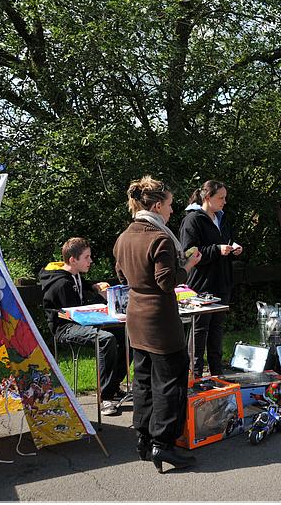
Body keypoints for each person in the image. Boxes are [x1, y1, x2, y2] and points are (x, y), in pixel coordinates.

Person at [113, 176, 202, 473]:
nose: (172, 211)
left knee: (143, 380)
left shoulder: (125, 236)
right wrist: (187, 266)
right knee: (170, 382)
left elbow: (122, 276)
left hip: (136, 318)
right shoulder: (160, 238)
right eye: (169, 205)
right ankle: (162, 445)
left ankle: (143, 436)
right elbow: (167, 282)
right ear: (156, 205)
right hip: (160, 321)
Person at [39, 237, 125, 417]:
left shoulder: (73, 275)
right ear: (73, 260)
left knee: (127, 333)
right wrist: (99, 304)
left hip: (81, 322)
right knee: (105, 339)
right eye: (86, 257)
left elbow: (80, 285)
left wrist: (94, 286)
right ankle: (105, 397)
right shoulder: (60, 284)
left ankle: (114, 385)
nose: (91, 261)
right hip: (65, 328)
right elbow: (74, 313)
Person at [179, 180, 242, 376]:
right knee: (200, 329)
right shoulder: (193, 220)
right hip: (201, 283)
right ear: (207, 198)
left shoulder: (221, 218)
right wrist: (216, 250)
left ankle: (217, 372)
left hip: (222, 281)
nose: (224, 202)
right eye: (220, 198)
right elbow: (189, 252)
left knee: (217, 328)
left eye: (225, 198)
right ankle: (195, 374)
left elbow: (225, 241)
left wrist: (233, 247)